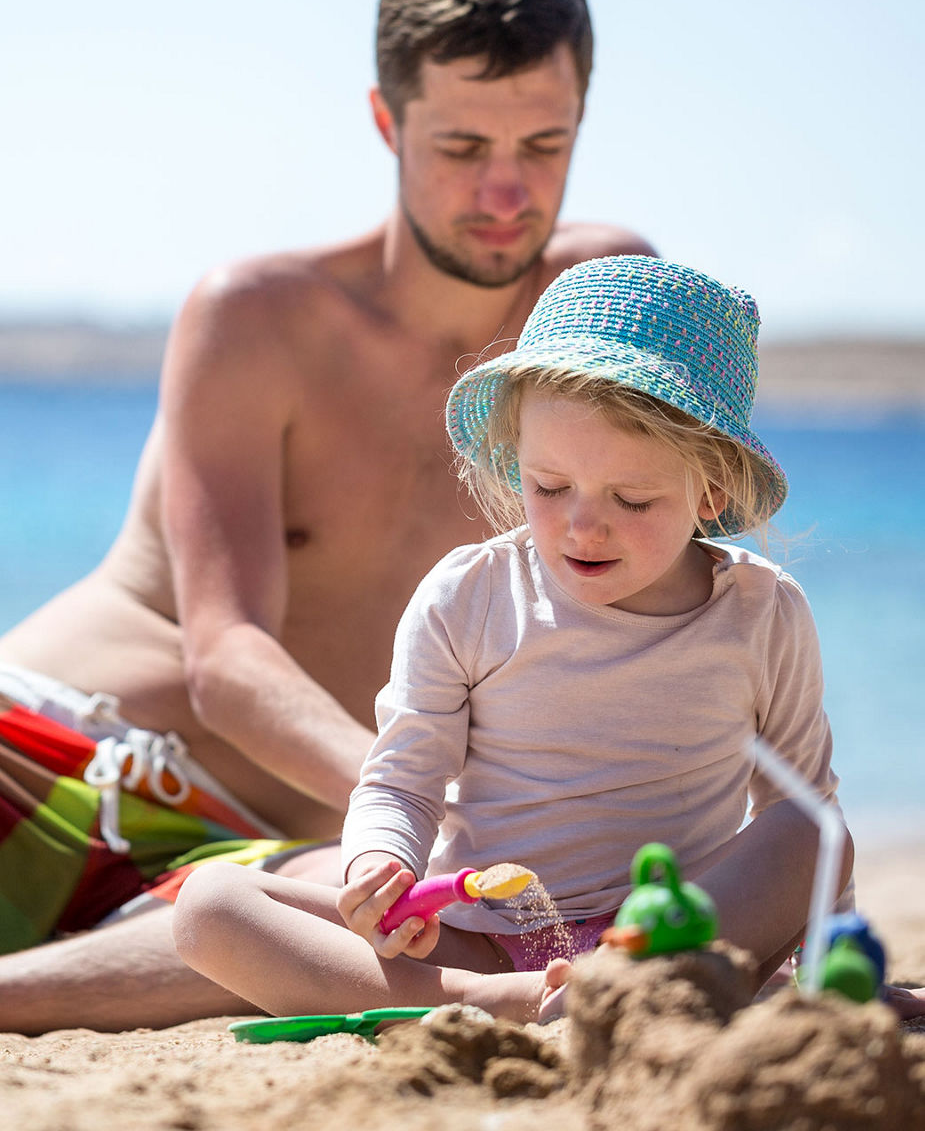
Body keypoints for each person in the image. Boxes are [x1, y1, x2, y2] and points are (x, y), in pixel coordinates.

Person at [0, 0, 654, 1033]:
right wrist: (432, 804)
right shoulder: (257, 316)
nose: (505, 192)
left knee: (324, 930)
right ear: (386, 121)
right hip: (53, 746)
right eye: (459, 148)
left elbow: (670, 619)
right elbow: (227, 656)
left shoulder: (601, 315)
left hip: (261, 849)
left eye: (543, 144)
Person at [171, 254, 857, 1025]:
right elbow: (401, 779)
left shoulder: (761, 613)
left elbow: (802, 814)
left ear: (711, 490)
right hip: (483, 943)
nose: (581, 524)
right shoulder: (470, 597)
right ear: (515, 462)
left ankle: (619, 988)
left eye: (631, 498)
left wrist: (829, 972)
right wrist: (380, 862)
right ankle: (496, 1001)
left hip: (672, 933)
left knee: (809, 829)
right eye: (548, 486)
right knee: (211, 906)